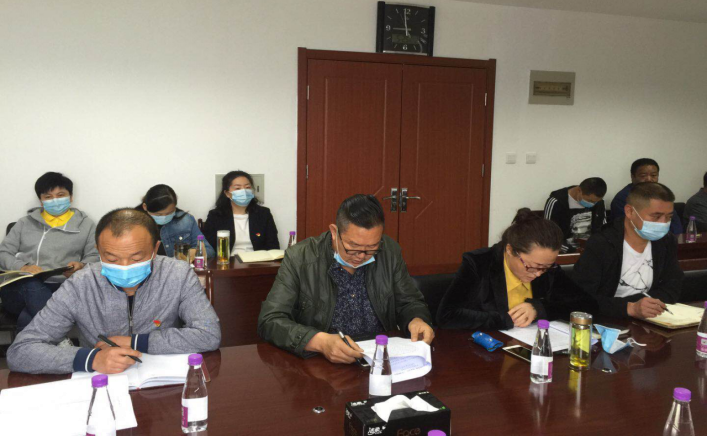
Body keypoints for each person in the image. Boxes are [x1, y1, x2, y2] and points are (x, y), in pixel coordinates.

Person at [7, 208, 221, 374]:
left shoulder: (178, 274)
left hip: (160, 382)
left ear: (155, 249)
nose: (125, 266)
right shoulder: (81, 284)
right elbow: (21, 351)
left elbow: (209, 334)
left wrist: (137, 342)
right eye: (111, 258)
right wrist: (90, 359)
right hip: (99, 383)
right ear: (98, 251)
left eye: (136, 258)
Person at [257, 194, 434, 364]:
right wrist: (319, 341)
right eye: (353, 246)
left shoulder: (389, 251)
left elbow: (410, 302)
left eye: (372, 247)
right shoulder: (300, 258)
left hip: (379, 359)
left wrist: (416, 319)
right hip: (320, 362)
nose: (361, 256)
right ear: (334, 232)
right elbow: (270, 320)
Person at [437, 209, 590, 331]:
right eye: (531, 267)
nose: (538, 274)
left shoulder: (547, 267)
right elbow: (447, 316)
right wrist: (504, 319)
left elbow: (587, 304)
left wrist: (539, 309)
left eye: (545, 267)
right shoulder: (479, 263)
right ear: (510, 250)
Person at [0, 172, 99, 332]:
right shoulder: (24, 223)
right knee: (31, 284)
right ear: (41, 200)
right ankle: (60, 337)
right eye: (48, 197)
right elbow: (3, 253)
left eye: (60, 195)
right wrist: (23, 267)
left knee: (29, 315)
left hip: (63, 286)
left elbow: (95, 256)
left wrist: (81, 266)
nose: (55, 200)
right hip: (20, 289)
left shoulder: (86, 225)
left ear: (71, 197)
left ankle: (34, 345)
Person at [573, 182, 683, 319]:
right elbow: (581, 299)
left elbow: (673, 287)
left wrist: (645, 305)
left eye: (669, 217)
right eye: (656, 216)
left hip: (652, 319)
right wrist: (629, 307)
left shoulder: (666, 241)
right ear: (630, 211)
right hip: (608, 320)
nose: (663, 223)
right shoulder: (601, 244)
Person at [203, 170, 279, 256]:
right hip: (228, 261)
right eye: (237, 188)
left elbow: (273, 246)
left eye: (247, 187)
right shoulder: (216, 215)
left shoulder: (263, 213)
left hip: (258, 261)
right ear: (227, 193)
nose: (244, 191)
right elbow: (209, 248)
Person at [138, 184, 216, 258]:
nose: (164, 217)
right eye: (158, 214)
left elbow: (209, 250)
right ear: (145, 207)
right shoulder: (135, 224)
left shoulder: (186, 221)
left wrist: (194, 253)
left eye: (169, 213)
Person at [610, 158, 682, 234]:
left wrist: (671, 238)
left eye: (653, 175)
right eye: (643, 176)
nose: (649, 179)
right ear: (633, 177)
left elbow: (676, 225)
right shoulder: (623, 198)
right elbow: (629, 228)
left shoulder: (662, 195)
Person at [543, 177, 608, 253]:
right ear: (579, 190)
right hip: (565, 252)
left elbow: (603, 229)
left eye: (596, 202)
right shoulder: (556, 202)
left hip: (591, 250)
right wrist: (574, 251)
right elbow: (549, 237)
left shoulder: (599, 202)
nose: (593, 204)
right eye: (590, 200)